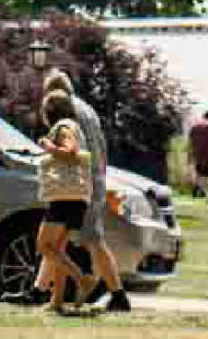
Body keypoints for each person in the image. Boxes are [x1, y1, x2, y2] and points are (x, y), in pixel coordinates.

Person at [42, 73, 132, 313]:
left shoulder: (69, 114)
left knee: (92, 240)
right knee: (64, 242)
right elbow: (101, 145)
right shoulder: (87, 109)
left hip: (82, 182)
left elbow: (72, 150)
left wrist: (51, 150)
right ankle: (52, 295)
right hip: (95, 178)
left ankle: (117, 294)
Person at [34, 111, 94, 315]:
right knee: (59, 251)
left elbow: (70, 152)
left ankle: (82, 279)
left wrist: (48, 147)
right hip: (76, 201)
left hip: (63, 200)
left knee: (44, 246)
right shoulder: (70, 128)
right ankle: (57, 300)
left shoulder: (63, 128)